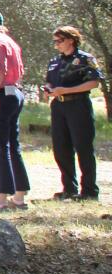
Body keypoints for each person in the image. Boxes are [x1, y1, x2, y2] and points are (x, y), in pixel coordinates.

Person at [44, 25, 104, 200]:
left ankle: (89, 191)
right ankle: (69, 188)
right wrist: (49, 88)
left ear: (71, 39)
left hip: (78, 106)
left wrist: (66, 90)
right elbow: (49, 81)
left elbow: (94, 83)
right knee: (61, 148)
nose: (56, 45)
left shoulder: (86, 59)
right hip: (58, 106)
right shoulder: (55, 61)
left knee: (83, 147)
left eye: (59, 41)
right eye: (54, 41)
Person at [0, 9, 29, 210]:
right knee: (12, 144)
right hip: (15, 93)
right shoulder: (10, 41)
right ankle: (19, 195)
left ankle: (1, 198)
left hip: (1, 94)